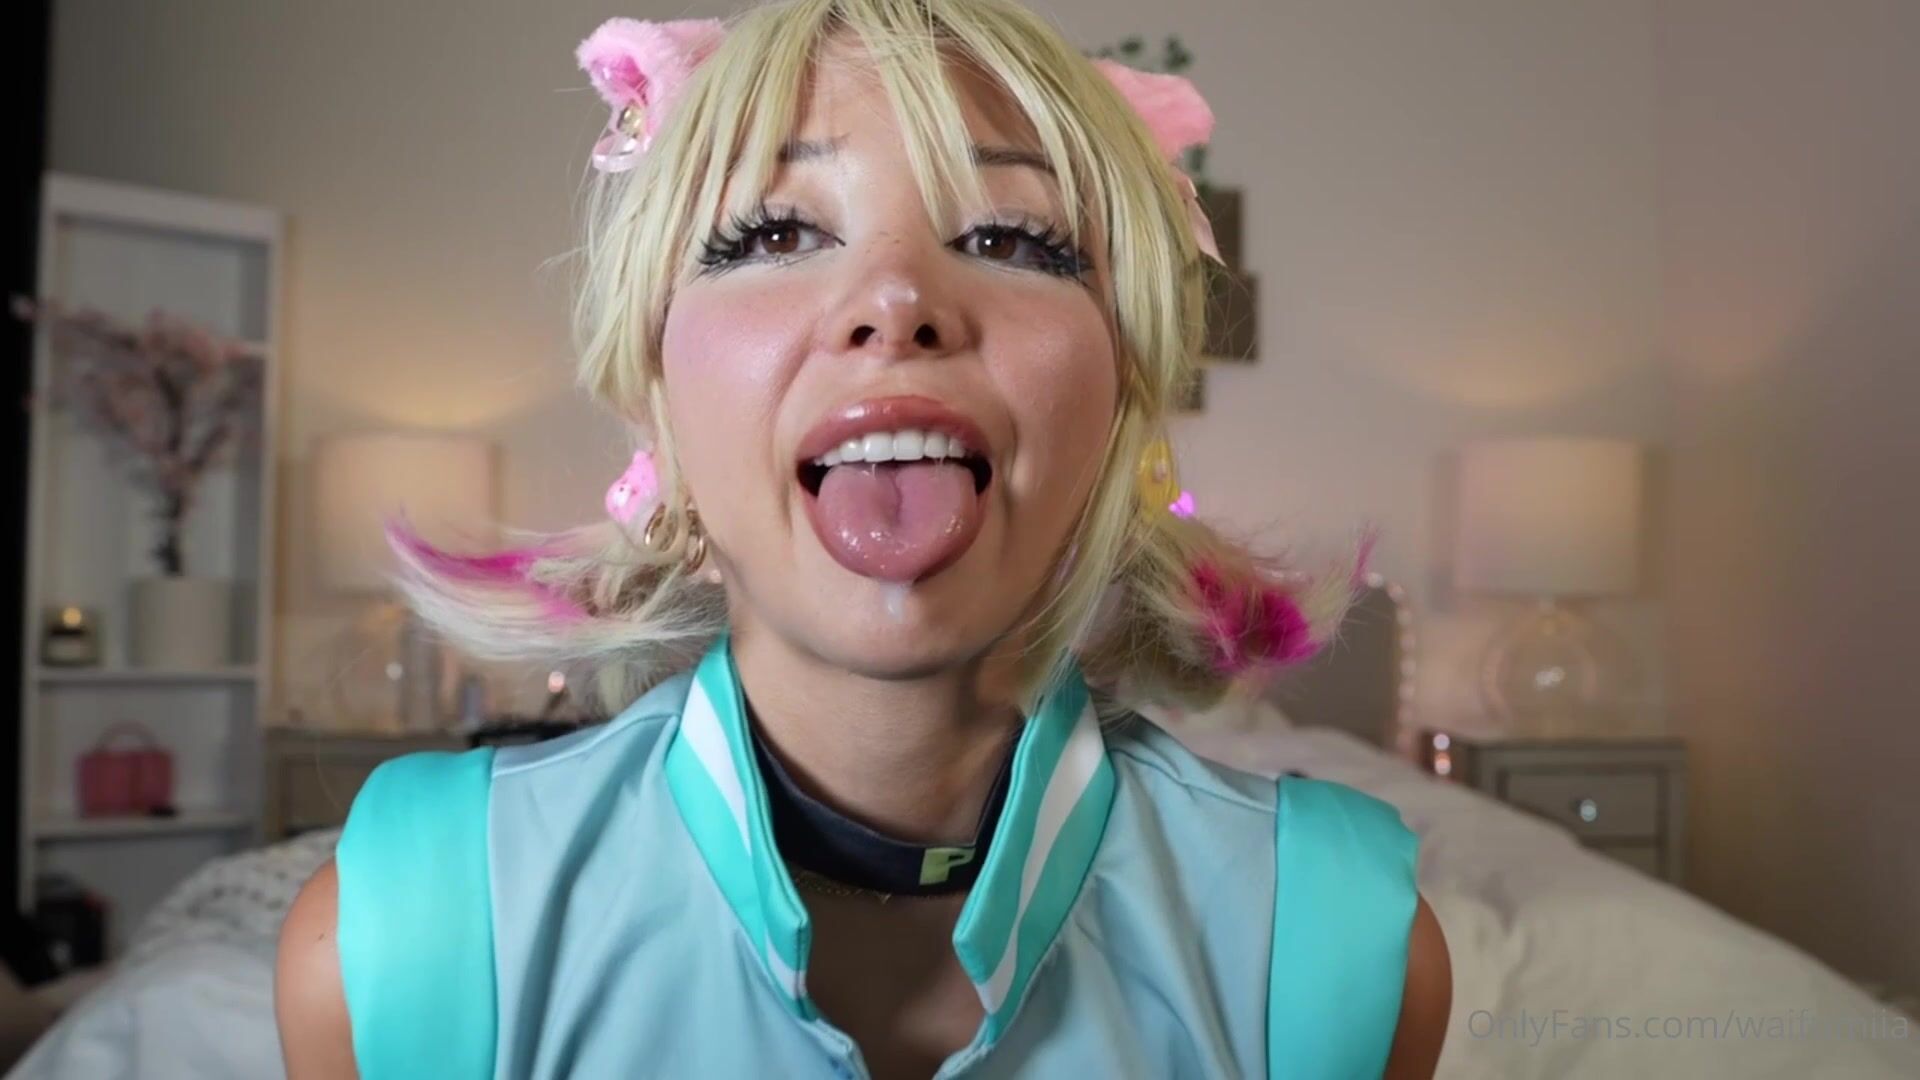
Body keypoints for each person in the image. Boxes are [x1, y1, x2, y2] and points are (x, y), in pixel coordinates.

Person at [275, 0, 1451, 1076]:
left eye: (1012, 239)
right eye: (774, 233)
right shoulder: (400, 936)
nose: (896, 300)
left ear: (1121, 408)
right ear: (662, 418)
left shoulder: (1344, 949)